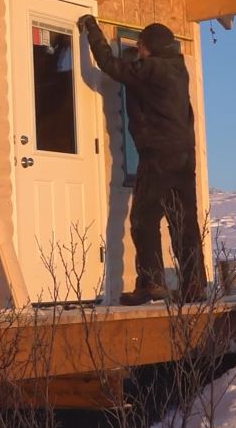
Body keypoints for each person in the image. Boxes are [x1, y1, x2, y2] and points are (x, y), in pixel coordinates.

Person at [78, 15, 207, 304]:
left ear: (151, 46)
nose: (137, 46)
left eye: (141, 43)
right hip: (184, 157)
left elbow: (110, 66)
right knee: (183, 223)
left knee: (143, 220)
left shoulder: (153, 69)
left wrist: (92, 31)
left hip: (158, 155)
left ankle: (151, 284)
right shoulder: (177, 67)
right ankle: (194, 286)